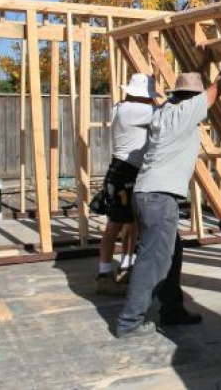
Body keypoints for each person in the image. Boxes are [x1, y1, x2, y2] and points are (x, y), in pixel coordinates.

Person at [114, 33, 221, 338]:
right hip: (159, 198)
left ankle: (172, 310)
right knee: (153, 261)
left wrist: (206, 61)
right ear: (192, 98)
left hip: (149, 194)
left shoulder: (168, 109)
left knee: (172, 253)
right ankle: (129, 322)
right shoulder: (186, 112)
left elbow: (194, 86)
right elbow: (216, 88)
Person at [95, 73, 157, 295]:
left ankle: (125, 267)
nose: (152, 100)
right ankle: (105, 275)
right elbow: (168, 113)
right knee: (116, 224)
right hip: (125, 172)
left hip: (127, 171)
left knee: (131, 224)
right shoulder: (135, 110)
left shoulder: (122, 107)